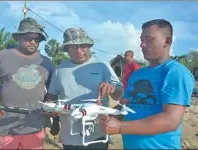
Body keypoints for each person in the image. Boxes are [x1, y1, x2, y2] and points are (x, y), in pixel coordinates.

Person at [98, 19, 195, 149]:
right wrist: (102, 113)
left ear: (167, 42)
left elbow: (170, 120)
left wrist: (120, 127)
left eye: (149, 39)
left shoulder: (175, 72)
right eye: (141, 39)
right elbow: (125, 105)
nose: (142, 45)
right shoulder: (137, 75)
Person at [45, 27, 123, 149]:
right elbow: (51, 98)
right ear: (66, 49)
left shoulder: (102, 65)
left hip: (98, 135)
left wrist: (112, 88)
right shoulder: (59, 70)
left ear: (89, 46)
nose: (80, 51)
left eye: (84, 46)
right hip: (69, 136)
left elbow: (118, 95)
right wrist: (50, 112)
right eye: (73, 47)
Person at [0, 17, 54, 149]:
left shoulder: (46, 62)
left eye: (36, 40)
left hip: (34, 126)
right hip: (4, 125)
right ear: (18, 38)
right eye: (28, 38)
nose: (33, 42)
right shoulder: (2, 56)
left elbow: (52, 91)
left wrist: (49, 106)